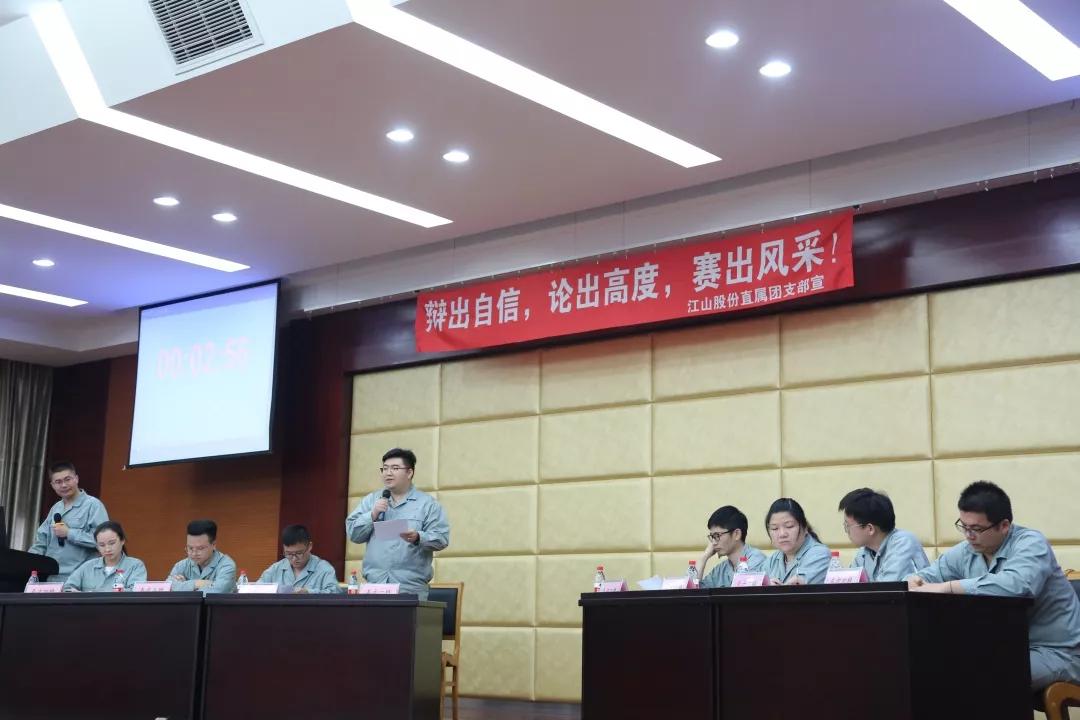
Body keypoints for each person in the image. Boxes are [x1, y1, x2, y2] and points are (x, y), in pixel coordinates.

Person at [908, 481, 1080, 691]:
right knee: (931, 666)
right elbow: (928, 576)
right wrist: (913, 581)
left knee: (983, 677)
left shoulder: (1031, 543)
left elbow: (1017, 587)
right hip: (1004, 649)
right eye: (964, 527)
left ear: (1004, 525)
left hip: (1057, 652)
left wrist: (948, 587)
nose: (969, 536)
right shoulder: (967, 550)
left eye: (977, 529)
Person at [344, 448, 449, 600]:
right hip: (375, 586)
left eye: (395, 468)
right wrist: (372, 514)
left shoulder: (428, 504)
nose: (388, 473)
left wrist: (418, 537)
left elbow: (441, 539)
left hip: (409, 588)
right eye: (385, 468)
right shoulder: (371, 501)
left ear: (409, 472)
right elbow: (353, 534)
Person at [28, 462, 109, 581]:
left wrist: (69, 533)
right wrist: (27, 561)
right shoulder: (56, 508)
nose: (64, 485)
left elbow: (104, 541)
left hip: (80, 579)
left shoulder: (93, 505)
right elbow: (41, 542)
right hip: (52, 577)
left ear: (76, 479)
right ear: (52, 485)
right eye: (58, 482)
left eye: (67, 479)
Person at [838, 488, 929, 582]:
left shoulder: (903, 543)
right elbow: (850, 586)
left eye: (848, 525)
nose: (846, 530)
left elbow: (887, 587)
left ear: (870, 529)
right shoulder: (863, 552)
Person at [762, 497, 831, 585]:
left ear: (805, 527)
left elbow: (797, 589)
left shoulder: (819, 554)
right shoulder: (772, 561)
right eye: (774, 528)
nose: (782, 534)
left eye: (789, 526)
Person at [62, 521, 147, 592]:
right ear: (97, 546)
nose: (107, 549)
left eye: (112, 543)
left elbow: (136, 593)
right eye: (102, 545)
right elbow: (67, 588)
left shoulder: (135, 566)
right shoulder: (87, 567)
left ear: (122, 541)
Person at [697, 505, 767, 588]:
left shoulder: (756, 560)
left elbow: (742, 593)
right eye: (712, 537)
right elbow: (692, 591)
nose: (714, 542)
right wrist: (704, 558)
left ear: (736, 534)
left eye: (717, 535)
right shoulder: (721, 569)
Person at [257, 524, 341, 594]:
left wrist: (308, 592)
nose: (294, 559)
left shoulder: (324, 569)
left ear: (309, 546)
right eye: (288, 554)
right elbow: (257, 589)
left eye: (299, 553)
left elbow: (335, 594)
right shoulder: (276, 569)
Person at [167, 519, 237, 594]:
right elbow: (167, 587)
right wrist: (197, 583)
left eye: (200, 548)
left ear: (213, 545)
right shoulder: (181, 565)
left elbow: (217, 592)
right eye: (190, 548)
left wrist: (183, 586)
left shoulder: (227, 566)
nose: (194, 553)